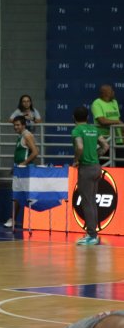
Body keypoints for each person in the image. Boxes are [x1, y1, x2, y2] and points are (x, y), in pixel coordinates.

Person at [72, 105, 109, 246]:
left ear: (73, 118)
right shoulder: (94, 129)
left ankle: (91, 235)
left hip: (86, 169)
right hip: (97, 168)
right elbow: (105, 146)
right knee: (92, 202)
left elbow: (79, 147)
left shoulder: (77, 130)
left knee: (87, 203)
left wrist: (76, 160)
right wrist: (95, 155)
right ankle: (93, 234)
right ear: (87, 118)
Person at [4, 116, 39, 229]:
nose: (16, 127)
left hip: (24, 170)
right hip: (19, 169)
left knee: (20, 195)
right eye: (14, 125)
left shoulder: (27, 136)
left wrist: (23, 163)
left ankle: (15, 219)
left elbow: (35, 152)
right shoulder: (21, 136)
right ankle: (14, 219)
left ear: (24, 125)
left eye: (18, 125)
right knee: (18, 196)